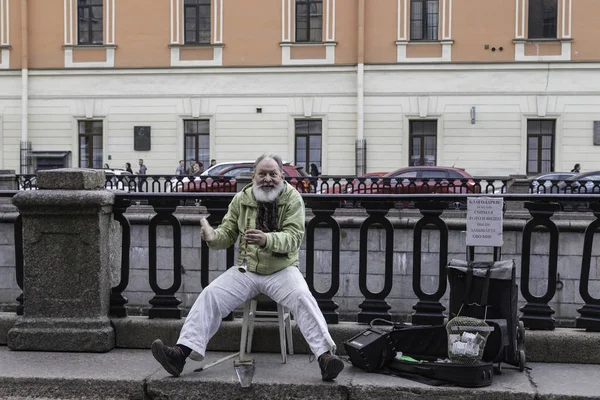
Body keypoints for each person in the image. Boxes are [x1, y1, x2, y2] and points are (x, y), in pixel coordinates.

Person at [151, 154, 344, 381]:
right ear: (254, 176)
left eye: (273, 174)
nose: (268, 179)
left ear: (282, 176)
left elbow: (293, 238)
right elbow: (227, 233)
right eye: (262, 174)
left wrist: (267, 240)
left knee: (303, 297)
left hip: (282, 269)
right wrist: (212, 237)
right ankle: (179, 354)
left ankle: (325, 358)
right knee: (211, 295)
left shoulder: (293, 199)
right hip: (247, 269)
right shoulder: (241, 200)